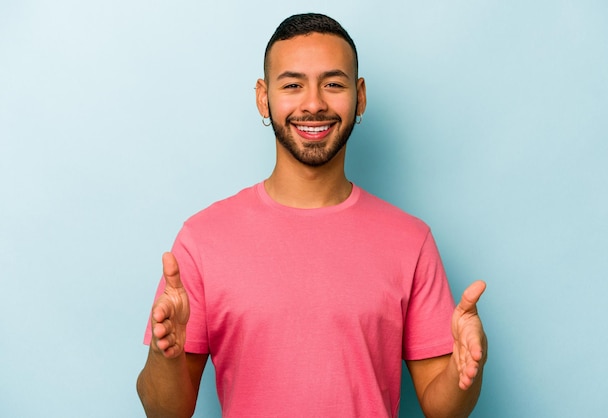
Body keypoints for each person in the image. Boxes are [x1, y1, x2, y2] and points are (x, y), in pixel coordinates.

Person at [137, 13, 487, 418]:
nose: (314, 103)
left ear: (360, 96)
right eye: (293, 85)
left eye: (333, 84)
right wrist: (168, 355)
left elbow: (444, 410)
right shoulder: (202, 240)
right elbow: (166, 412)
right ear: (262, 97)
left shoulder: (411, 239)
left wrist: (469, 367)